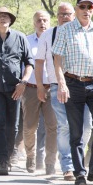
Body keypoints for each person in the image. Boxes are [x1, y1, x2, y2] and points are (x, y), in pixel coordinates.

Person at [52, 0, 93, 185]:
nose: (86, 11)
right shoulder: (65, 30)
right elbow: (57, 60)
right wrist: (61, 84)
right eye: (82, 7)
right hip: (74, 83)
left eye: (90, 7)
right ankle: (79, 173)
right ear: (77, 9)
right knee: (76, 130)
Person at [0, 7, 33, 175]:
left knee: (13, 125)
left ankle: (10, 156)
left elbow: (29, 63)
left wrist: (24, 82)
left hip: (15, 88)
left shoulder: (20, 38)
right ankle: (2, 160)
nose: (3, 19)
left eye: (6, 17)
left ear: (10, 20)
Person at [21, 11, 58, 174]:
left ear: (50, 21)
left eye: (45, 20)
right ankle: (30, 156)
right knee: (29, 126)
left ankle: (50, 162)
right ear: (34, 22)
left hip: (52, 88)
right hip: (31, 89)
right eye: (38, 20)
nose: (42, 23)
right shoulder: (27, 41)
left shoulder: (56, 39)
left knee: (53, 126)